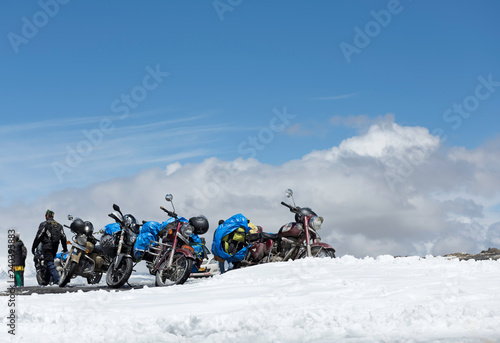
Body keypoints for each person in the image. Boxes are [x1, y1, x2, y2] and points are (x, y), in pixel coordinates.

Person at [32, 210, 68, 284]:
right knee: (48, 261)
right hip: (55, 247)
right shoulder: (59, 225)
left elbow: (39, 236)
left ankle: (57, 279)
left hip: (47, 246)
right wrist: (65, 248)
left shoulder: (44, 224)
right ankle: (46, 280)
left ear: (47, 216)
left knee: (49, 262)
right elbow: (63, 237)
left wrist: (34, 247)